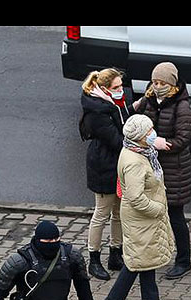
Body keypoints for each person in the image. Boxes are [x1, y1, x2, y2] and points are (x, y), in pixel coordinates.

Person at [101, 114, 176, 300]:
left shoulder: (139, 150)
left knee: (146, 257)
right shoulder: (134, 161)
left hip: (143, 217)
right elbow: (136, 198)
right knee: (136, 261)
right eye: (149, 130)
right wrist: (157, 209)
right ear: (141, 136)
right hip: (141, 217)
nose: (153, 132)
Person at [134, 62, 191, 280]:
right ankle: (159, 253)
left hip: (174, 170)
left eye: (162, 83)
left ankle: (183, 261)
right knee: (154, 214)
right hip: (152, 167)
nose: (157, 86)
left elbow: (182, 139)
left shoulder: (182, 107)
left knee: (175, 215)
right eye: (155, 82)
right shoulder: (148, 100)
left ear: (172, 83)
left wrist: (159, 143)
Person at [80, 68, 135, 281]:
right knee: (101, 213)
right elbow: (116, 140)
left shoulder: (113, 104)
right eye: (116, 87)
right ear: (104, 89)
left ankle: (115, 253)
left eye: (121, 85)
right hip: (104, 166)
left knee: (119, 212)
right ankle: (94, 259)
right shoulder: (97, 110)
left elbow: (122, 121)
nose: (121, 90)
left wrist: (133, 107)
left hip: (116, 165)